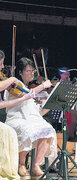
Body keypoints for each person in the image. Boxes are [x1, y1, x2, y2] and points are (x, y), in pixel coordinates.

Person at [5, 57, 57, 177]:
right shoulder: (14, 85)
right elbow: (27, 95)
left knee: (48, 129)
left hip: (30, 119)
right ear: (20, 72)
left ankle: (36, 165)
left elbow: (38, 113)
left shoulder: (29, 87)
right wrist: (43, 85)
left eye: (33, 71)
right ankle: (21, 164)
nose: (32, 73)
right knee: (27, 129)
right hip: (16, 119)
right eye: (28, 71)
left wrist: (51, 103)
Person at [0, 50, 35, 180]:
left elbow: (1, 104)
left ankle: (7, 169)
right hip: (13, 119)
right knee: (7, 131)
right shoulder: (8, 81)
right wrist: (12, 79)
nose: (3, 67)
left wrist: (22, 99)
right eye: (1, 63)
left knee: (9, 132)